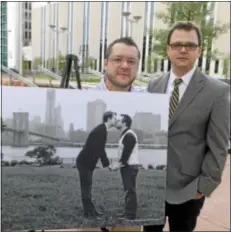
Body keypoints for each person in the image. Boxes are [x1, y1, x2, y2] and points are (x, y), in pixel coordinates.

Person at [144, 21, 230, 232]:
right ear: (168, 49)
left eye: (190, 45)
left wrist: (204, 187)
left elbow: (219, 145)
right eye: (177, 44)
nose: (183, 49)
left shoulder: (217, 92)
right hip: (152, 185)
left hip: (188, 190)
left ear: (199, 50)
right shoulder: (153, 85)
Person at [88, 37, 143, 232]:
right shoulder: (85, 96)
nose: (125, 66)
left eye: (131, 61)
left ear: (138, 66)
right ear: (105, 63)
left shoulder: (148, 99)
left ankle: (129, 214)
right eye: (118, 59)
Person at [76, 111, 117, 218]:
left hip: (87, 162)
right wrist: (108, 165)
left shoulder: (103, 129)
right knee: (86, 186)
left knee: (87, 186)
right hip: (84, 162)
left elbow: (99, 149)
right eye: (114, 118)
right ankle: (89, 212)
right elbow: (100, 149)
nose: (116, 120)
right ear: (109, 119)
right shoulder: (101, 130)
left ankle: (90, 211)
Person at [111, 114, 140, 220]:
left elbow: (126, 154)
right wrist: (118, 164)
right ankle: (128, 212)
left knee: (130, 190)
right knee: (128, 190)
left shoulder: (129, 135)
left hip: (130, 167)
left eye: (118, 120)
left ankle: (131, 215)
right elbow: (123, 153)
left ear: (124, 123)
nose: (116, 122)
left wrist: (117, 165)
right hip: (127, 167)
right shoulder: (125, 134)